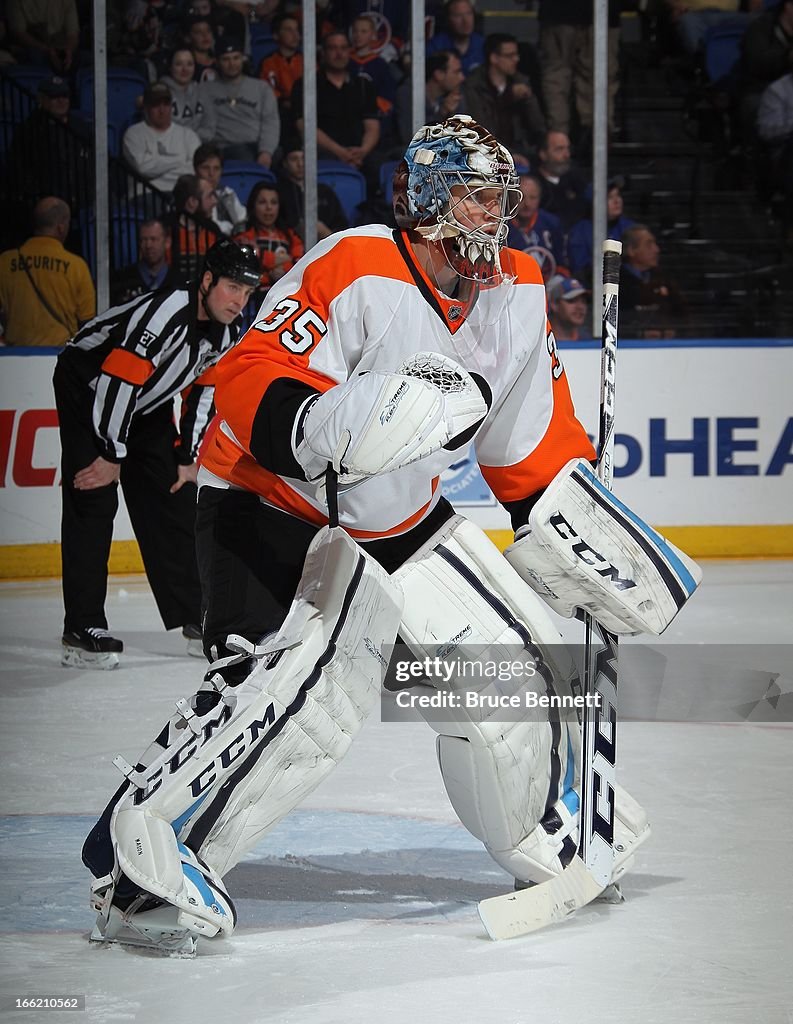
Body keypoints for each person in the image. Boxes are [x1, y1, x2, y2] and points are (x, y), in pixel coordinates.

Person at [81, 116, 700, 955]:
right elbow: (249, 378)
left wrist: (578, 531)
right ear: (433, 196)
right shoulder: (353, 263)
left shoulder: (517, 287)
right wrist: (329, 425)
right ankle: (148, 857)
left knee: (519, 669)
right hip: (274, 506)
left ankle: (546, 831)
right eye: (480, 197)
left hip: (404, 517)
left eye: (501, 199)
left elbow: (528, 442)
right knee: (303, 691)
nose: (497, 215)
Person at [53, 239, 260, 670]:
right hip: (89, 387)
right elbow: (118, 381)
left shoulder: (226, 332)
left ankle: (197, 616)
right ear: (206, 280)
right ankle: (82, 626)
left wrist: (187, 455)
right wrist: (111, 455)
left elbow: (203, 393)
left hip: (143, 403)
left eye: (247, 291)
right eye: (231, 288)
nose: (239, 300)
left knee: (174, 496)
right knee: (93, 498)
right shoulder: (166, 312)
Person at [0, 197, 95, 348]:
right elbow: (87, 322)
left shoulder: (5, 262)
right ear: (61, 227)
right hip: (60, 354)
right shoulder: (76, 266)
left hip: (13, 357)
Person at [292, 31, 380, 178]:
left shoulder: (363, 85)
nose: (339, 53)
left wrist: (362, 151)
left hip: (360, 154)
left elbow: (372, 127)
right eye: (333, 48)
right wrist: (340, 152)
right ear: (324, 53)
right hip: (323, 153)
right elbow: (304, 126)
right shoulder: (306, 85)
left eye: (343, 48)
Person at [463, 32, 545, 167]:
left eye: (516, 54)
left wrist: (528, 99)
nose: (516, 59)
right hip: (486, 154)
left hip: (522, 149)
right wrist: (507, 98)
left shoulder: (521, 82)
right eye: (510, 56)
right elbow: (481, 129)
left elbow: (538, 125)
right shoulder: (474, 86)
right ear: (494, 58)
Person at [199, 37, 280, 167]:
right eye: (226, 59)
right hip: (226, 147)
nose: (232, 64)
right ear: (217, 62)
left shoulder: (261, 88)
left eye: (236, 58)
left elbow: (271, 122)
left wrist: (266, 151)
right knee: (243, 156)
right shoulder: (205, 90)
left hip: (259, 145)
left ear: (243, 59)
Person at [122, 82, 202, 194]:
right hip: (146, 195)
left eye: (166, 104)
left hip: (182, 195)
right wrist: (180, 161)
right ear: (146, 108)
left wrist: (156, 171)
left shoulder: (188, 135)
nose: (162, 110)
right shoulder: (133, 134)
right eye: (156, 105)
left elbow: (194, 171)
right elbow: (144, 169)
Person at [233, 180, 304, 294]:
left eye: (274, 202)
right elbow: (246, 261)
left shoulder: (290, 235)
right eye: (262, 202)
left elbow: (300, 264)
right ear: (253, 205)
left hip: (283, 296)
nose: (269, 207)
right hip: (251, 298)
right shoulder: (243, 232)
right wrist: (277, 264)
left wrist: (283, 271)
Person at [619, 223, 688, 339]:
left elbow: (682, 313)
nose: (657, 250)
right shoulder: (616, 281)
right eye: (648, 245)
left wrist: (675, 330)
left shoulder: (664, 278)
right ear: (631, 250)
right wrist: (638, 334)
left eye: (655, 244)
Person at [566, 178, 635, 283]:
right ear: (594, 203)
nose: (617, 201)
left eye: (618, 195)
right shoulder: (580, 231)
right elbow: (580, 270)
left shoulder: (629, 227)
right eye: (610, 197)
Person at [276, 145, 348, 241]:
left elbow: (341, 223)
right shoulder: (279, 192)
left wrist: (326, 233)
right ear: (285, 163)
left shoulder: (325, 191)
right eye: (294, 159)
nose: (300, 164)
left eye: (304, 158)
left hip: (326, 244)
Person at [396, 49, 466, 145]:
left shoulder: (454, 94)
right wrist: (443, 112)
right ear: (438, 74)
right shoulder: (408, 94)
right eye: (456, 72)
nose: (462, 77)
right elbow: (411, 137)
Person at [109, 217, 184, 306]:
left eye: (154, 239)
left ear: (167, 242)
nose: (148, 245)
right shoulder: (122, 280)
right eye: (143, 240)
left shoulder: (179, 282)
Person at [505, 172, 565, 282]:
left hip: (548, 282)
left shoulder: (551, 223)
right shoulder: (501, 226)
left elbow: (562, 263)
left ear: (540, 198)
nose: (527, 203)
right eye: (521, 197)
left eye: (533, 198)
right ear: (511, 197)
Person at [170, 173, 223, 279]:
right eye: (209, 196)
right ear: (192, 202)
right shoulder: (168, 230)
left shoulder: (213, 229)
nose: (215, 201)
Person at [536, 129, 589, 230]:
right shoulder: (533, 184)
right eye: (559, 149)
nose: (567, 155)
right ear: (543, 154)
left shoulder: (577, 180)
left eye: (567, 149)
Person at [193, 142, 247, 236]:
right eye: (206, 168)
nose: (211, 174)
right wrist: (228, 227)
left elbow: (241, 221)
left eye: (216, 168)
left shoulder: (227, 193)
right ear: (195, 170)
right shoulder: (191, 196)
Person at [161, 46, 211, 139]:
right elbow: (160, 129)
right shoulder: (159, 92)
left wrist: (191, 139)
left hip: (198, 147)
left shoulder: (203, 92)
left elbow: (209, 129)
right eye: (179, 64)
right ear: (170, 67)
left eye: (189, 64)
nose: (185, 69)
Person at [426, 0, 485, 74]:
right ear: (447, 20)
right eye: (458, 16)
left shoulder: (483, 44)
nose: (466, 21)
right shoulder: (435, 46)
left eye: (469, 14)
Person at [546, 274, 589, 341]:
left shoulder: (589, 341)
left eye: (583, 301)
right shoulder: (541, 339)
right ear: (554, 304)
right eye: (572, 300)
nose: (580, 307)